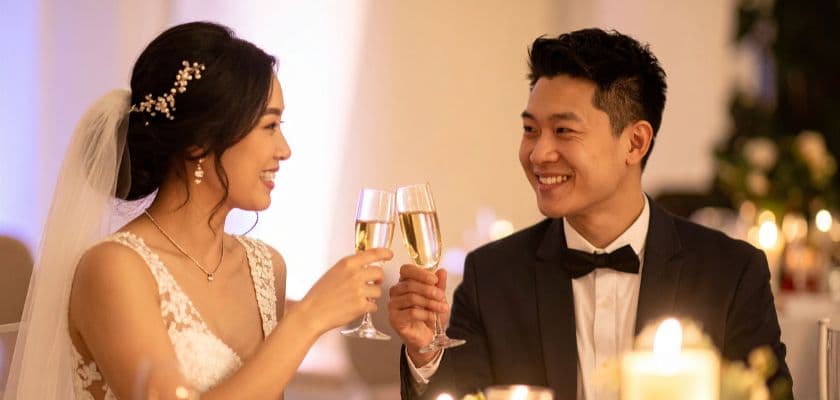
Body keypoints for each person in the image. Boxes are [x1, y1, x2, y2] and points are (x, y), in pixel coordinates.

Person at [388, 28, 792, 399]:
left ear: (635, 142)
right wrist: (425, 353)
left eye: (563, 131)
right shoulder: (492, 276)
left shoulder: (730, 273)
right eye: (531, 129)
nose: (539, 153)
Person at [6, 21, 392, 399]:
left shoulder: (266, 267)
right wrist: (307, 319)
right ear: (199, 143)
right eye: (270, 126)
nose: (284, 150)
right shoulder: (113, 267)